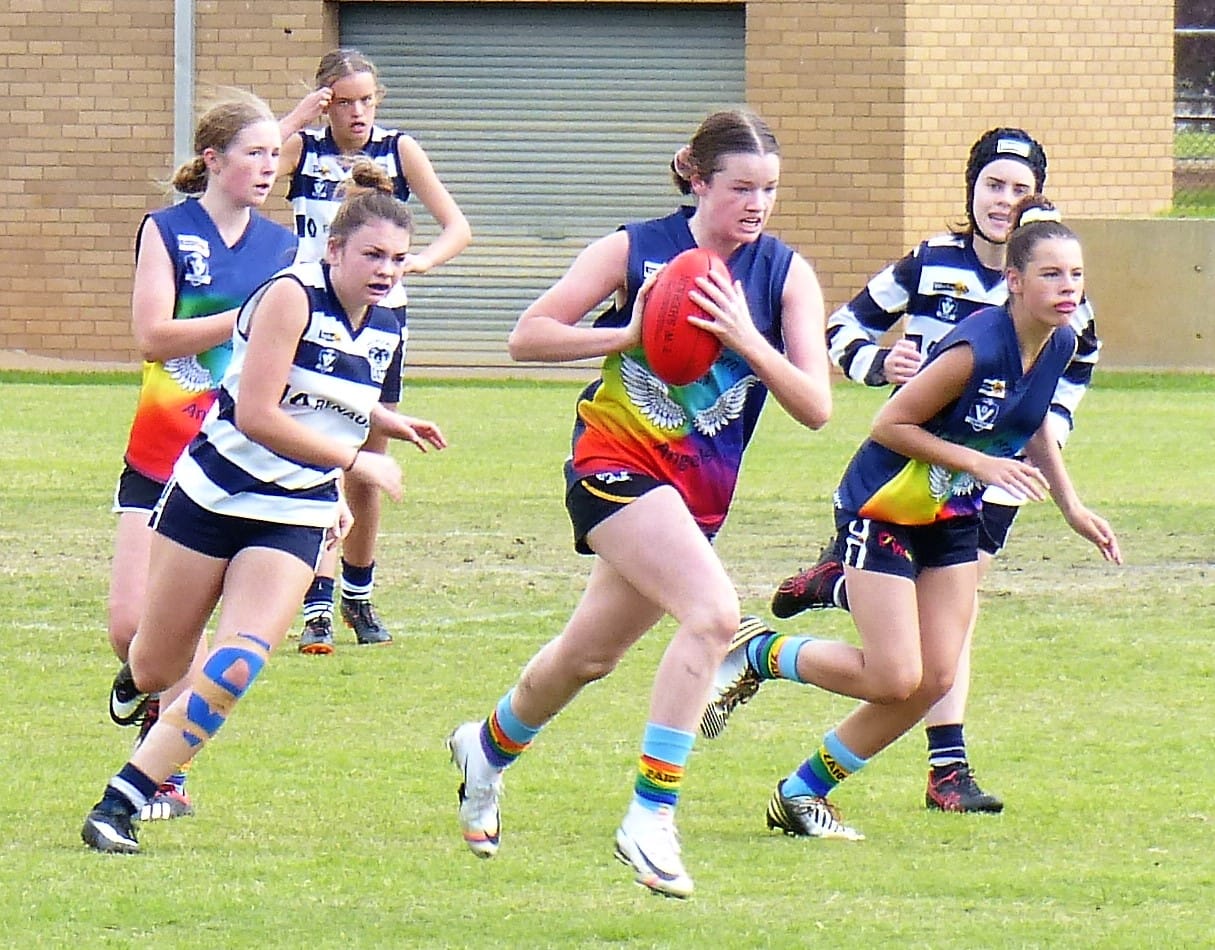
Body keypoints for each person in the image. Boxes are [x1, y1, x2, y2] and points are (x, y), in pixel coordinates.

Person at [444, 109, 833, 899]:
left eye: (768, 190)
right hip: (612, 466)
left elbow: (815, 405)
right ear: (696, 177)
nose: (755, 205)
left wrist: (745, 340)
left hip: (695, 500)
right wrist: (628, 334)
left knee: (589, 657)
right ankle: (650, 815)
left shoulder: (784, 274)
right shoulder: (635, 248)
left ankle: (484, 749)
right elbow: (528, 336)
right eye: (739, 188)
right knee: (715, 615)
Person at [700, 197, 1121, 841]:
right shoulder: (975, 347)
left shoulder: (1061, 341)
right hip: (885, 503)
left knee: (936, 679)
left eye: (1076, 276)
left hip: (950, 512)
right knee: (897, 675)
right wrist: (978, 465)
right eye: (1051, 275)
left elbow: (1032, 422)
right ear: (1014, 281)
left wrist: (1072, 506)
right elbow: (889, 424)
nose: (1068, 289)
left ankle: (800, 794)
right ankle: (759, 652)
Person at [82, 159, 447, 854]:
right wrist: (356, 461)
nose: (386, 270)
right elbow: (255, 412)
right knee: (158, 665)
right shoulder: (288, 297)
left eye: (398, 259)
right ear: (333, 250)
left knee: (238, 663)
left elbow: (343, 397)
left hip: (295, 510)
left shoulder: (390, 320)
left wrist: (380, 431)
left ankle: (119, 803)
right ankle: (138, 683)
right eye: (371, 255)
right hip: (213, 491)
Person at [105, 89, 299, 822]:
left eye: (274, 155)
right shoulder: (167, 229)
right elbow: (153, 336)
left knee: (209, 636)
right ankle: (143, 687)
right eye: (254, 152)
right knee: (132, 629)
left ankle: (164, 771)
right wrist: (243, 318)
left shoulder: (285, 250)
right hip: (159, 449)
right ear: (213, 160)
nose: (267, 167)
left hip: (236, 465)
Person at [278, 48, 472, 653]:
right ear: (324, 103)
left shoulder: (397, 149)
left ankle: (358, 593)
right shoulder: (304, 150)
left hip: (380, 319)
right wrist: (293, 119)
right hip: (312, 311)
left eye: (366, 99)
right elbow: (239, 172)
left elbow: (456, 226)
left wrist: (418, 261)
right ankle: (314, 600)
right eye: (343, 101)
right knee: (315, 443)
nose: (357, 112)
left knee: (367, 450)